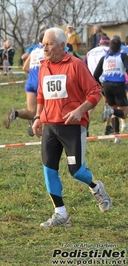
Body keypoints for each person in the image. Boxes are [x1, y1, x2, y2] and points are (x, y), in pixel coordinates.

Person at [32, 27, 111, 228]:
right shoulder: (44, 66)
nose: (44, 47)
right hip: (50, 125)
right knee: (48, 169)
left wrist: (79, 111)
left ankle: (96, 187)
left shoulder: (76, 65)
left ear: (61, 45)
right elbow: (41, 94)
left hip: (72, 126)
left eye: (48, 44)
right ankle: (61, 214)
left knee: (76, 171)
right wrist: (38, 117)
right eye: (43, 43)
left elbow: (95, 92)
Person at [4, 32, 45, 137]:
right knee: (47, 110)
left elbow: (25, 68)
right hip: (42, 83)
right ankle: (41, 130)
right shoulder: (48, 50)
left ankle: (16, 113)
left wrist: (34, 72)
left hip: (30, 82)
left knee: (32, 112)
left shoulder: (34, 51)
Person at [93, 37, 128, 143]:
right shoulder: (122, 55)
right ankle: (111, 112)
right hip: (118, 86)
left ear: (110, 47)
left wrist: (101, 87)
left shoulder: (104, 58)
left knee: (114, 109)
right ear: (119, 48)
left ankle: (117, 136)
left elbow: (95, 75)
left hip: (106, 86)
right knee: (124, 113)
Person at [85, 36, 113, 135]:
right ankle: (107, 128)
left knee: (90, 105)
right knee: (110, 103)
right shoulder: (109, 51)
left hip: (92, 80)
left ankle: (86, 128)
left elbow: (84, 64)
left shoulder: (90, 52)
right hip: (106, 79)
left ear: (99, 43)